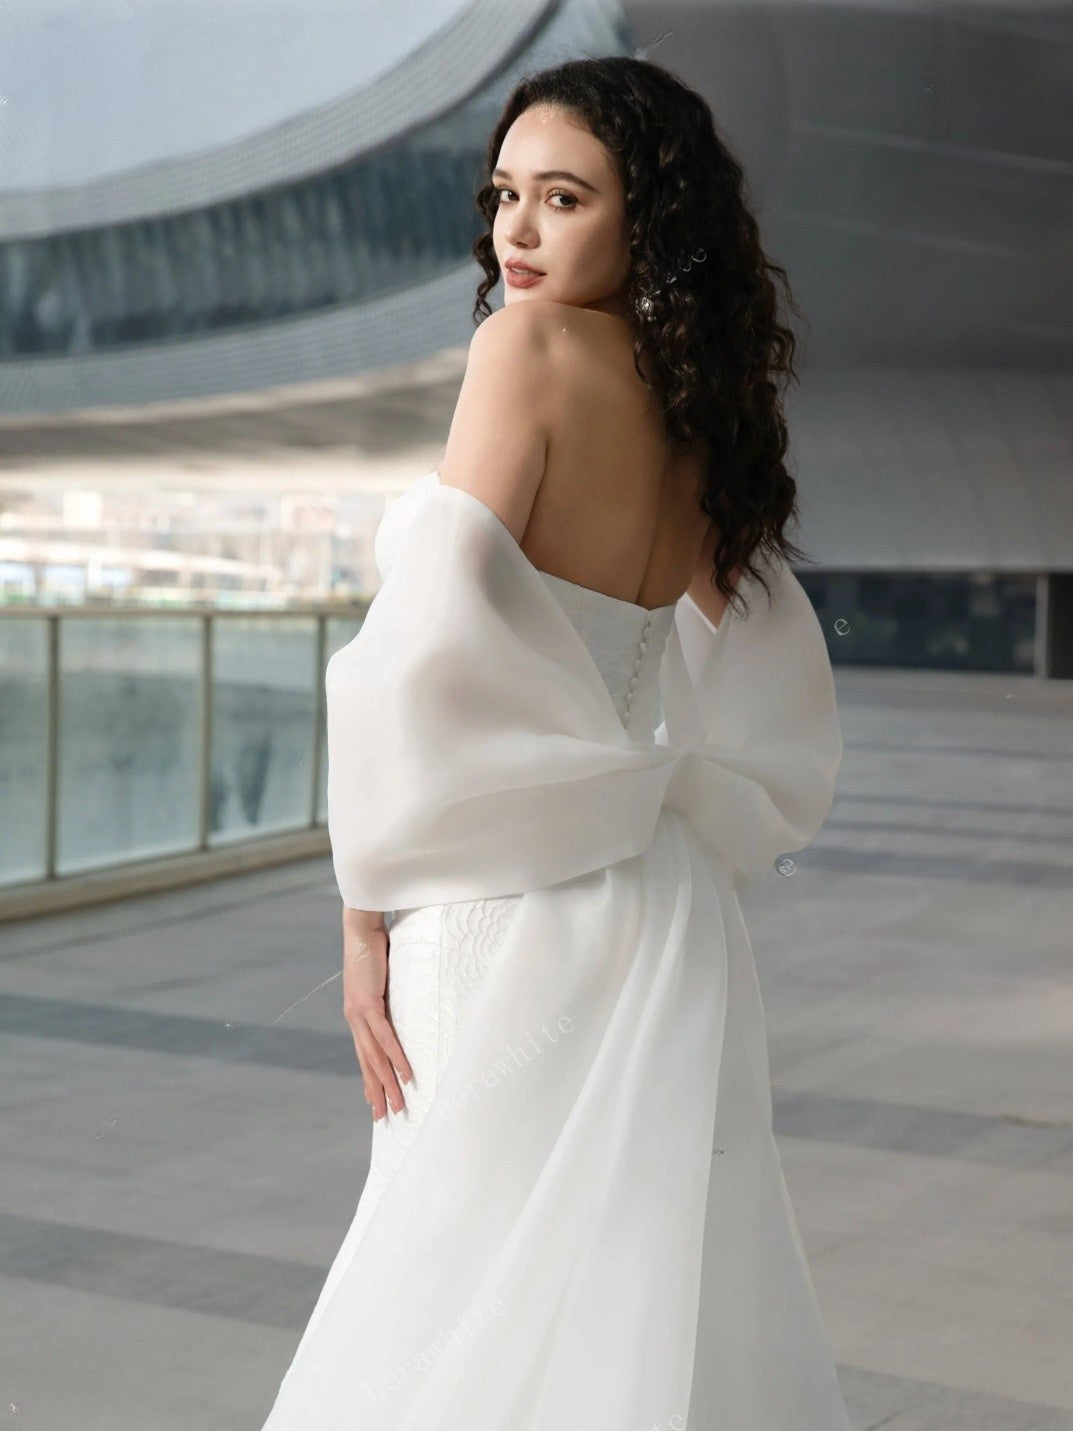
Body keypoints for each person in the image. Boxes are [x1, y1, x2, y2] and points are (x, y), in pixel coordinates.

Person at [261, 55, 851, 1430]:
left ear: (646, 215)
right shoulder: (704, 404)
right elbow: (751, 641)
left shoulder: (520, 352)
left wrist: (363, 910)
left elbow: (428, 639)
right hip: (660, 903)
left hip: (502, 904)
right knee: (634, 1275)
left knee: (449, 1268)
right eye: (505, 197)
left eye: (563, 198)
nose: (517, 233)